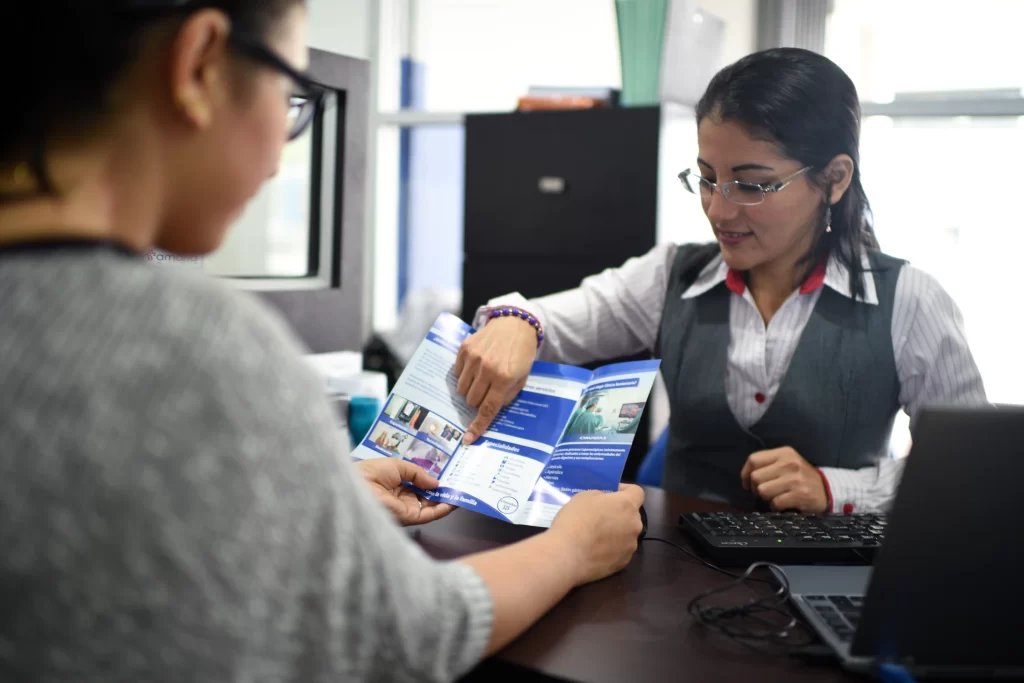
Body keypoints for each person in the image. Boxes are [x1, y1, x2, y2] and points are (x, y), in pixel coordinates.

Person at [0, 2, 645, 681]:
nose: (282, 154)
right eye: (290, 96)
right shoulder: (194, 343)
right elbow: (404, 630)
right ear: (198, 65)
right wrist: (573, 548)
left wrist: (320, 493)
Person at [456, 48, 987, 514]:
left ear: (835, 179)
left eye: (752, 185)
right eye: (707, 178)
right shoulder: (672, 275)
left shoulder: (908, 301)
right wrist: (516, 321)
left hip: (824, 583)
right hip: (673, 576)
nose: (718, 209)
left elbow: (970, 471)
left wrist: (837, 489)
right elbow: (556, 320)